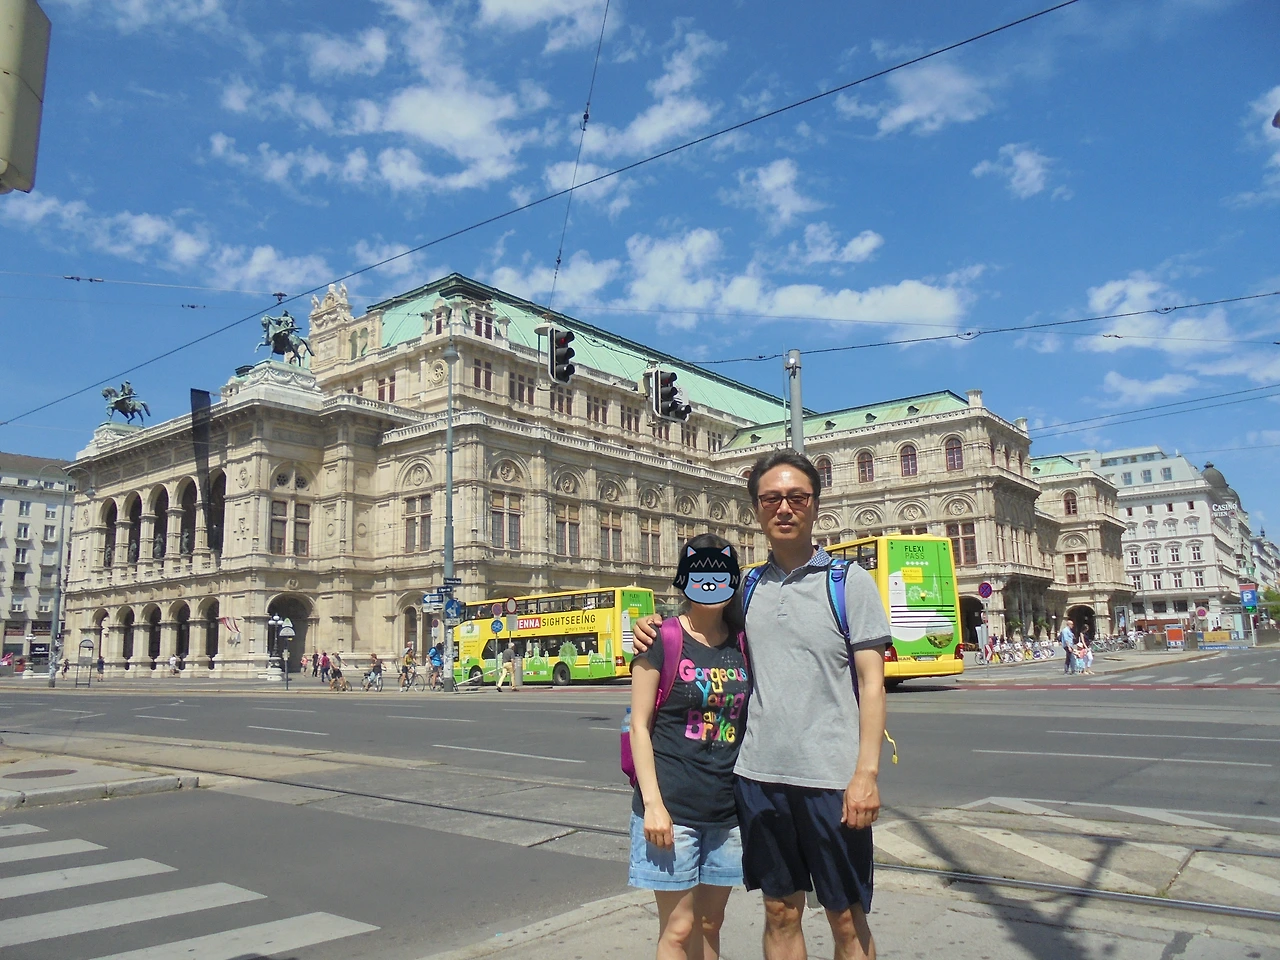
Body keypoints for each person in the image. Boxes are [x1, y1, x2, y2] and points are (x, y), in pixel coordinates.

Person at [634, 450, 890, 960]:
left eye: (797, 497)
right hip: (757, 780)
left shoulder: (849, 583)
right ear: (756, 509)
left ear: (816, 505)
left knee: (845, 918)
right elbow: (696, 624)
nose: (785, 508)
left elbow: (873, 684)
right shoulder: (745, 587)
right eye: (771, 498)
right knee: (780, 911)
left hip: (831, 781)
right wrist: (648, 628)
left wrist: (866, 774)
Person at [629, 533, 750, 960]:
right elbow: (639, 727)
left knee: (709, 924)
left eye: (721, 573)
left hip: (727, 810)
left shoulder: (743, 641)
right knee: (678, 929)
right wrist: (654, 804)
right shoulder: (660, 638)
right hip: (672, 808)